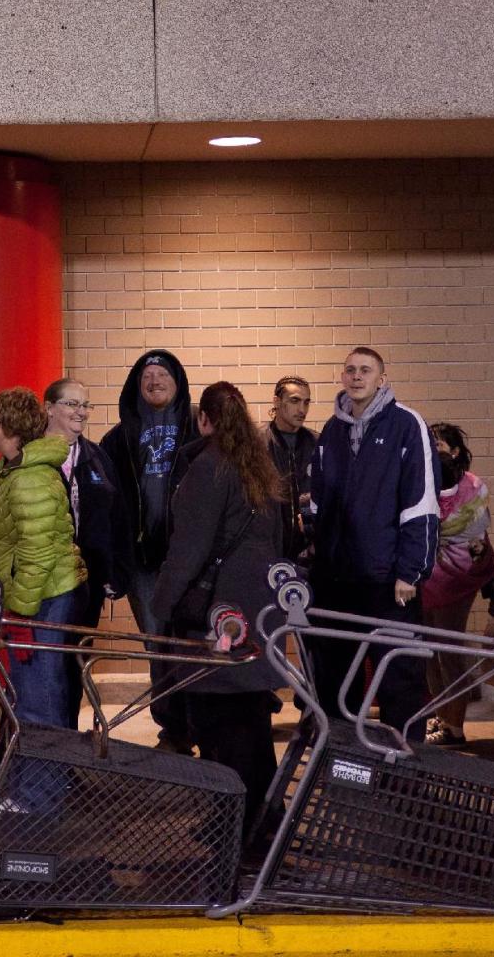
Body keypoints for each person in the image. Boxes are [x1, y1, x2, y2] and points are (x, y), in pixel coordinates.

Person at [153, 381, 286, 829]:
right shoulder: (259, 469)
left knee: (218, 724)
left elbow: (188, 549)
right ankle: (259, 819)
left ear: (204, 420)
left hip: (217, 618)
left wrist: (163, 604)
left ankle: (233, 826)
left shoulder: (208, 468)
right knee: (250, 725)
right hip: (257, 611)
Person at [310, 346, 440, 740]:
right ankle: (338, 763)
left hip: (388, 584)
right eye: (349, 369)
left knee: (398, 681)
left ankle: (405, 775)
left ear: (381, 379)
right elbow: (318, 502)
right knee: (334, 680)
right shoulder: (330, 432)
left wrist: (410, 572)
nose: (356, 376)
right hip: (336, 582)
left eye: (365, 370)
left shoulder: (407, 425)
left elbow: (421, 503)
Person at [100, 349, 194, 751]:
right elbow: (109, 509)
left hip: (190, 559)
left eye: (162, 375)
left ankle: (203, 724)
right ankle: (173, 731)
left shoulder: (197, 428)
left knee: (194, 641)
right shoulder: (116, 440)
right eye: (147, 376)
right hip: (143, 563)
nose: (154, 381)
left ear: (178, 382)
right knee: (158, 644)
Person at [0, 386, 89, 730]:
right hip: (36, 594)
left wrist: (20, 612)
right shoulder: (11, 468)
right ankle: (30, 779)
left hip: (44, 596)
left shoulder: (29, 477)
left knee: (39, 697)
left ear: (11, 428)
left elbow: (37, 552)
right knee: (29, 693)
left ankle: (43, 784)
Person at [422, 423, 494, 746]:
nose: (434, 450)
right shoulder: (422, 484)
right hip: (426, 580)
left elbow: (473, 533)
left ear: (454, 451)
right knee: (428, 652)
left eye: (439, 445)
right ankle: (441, 717)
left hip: (457, 580)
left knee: (448, 650)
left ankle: (456, 726)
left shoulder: (473, 487)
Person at [43, 378, 131, 626]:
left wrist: (117, 573)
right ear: (49, 408)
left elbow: (119, 519)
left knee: (79, 658)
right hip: (43, 586)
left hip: (88, 584)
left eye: (85, 405)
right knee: (48, 662)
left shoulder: (98, 457)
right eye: (72, 403)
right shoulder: (28, 456)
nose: (81, 412)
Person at [259, 375, 318, 561]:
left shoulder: (318, 443)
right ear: (276, 401)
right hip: (268, 550)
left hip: (310, 552)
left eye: (306, 402)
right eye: (294, 401)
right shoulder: (257, 444)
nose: (302, 410)